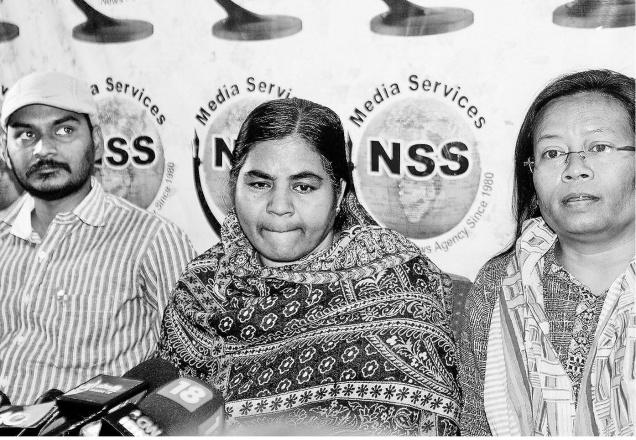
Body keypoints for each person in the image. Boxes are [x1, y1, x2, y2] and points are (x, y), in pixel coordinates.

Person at [158, 97, 461, 435]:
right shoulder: (203, 285)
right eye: (260, 184)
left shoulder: (395, 281)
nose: (279, 206)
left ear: (338, 192)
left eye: (303, 187)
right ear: (234, 185)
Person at [0, 71, 196, 404]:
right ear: (5, 151)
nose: (44, 149)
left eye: (64, 130)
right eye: (26, 135)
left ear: (98, 142)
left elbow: (192, 367)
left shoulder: (153, 239)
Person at [458, 69, 635, 436]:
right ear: (532, 177)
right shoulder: (498, 286)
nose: (574, 169)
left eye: (598, 148)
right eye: (552, 153)